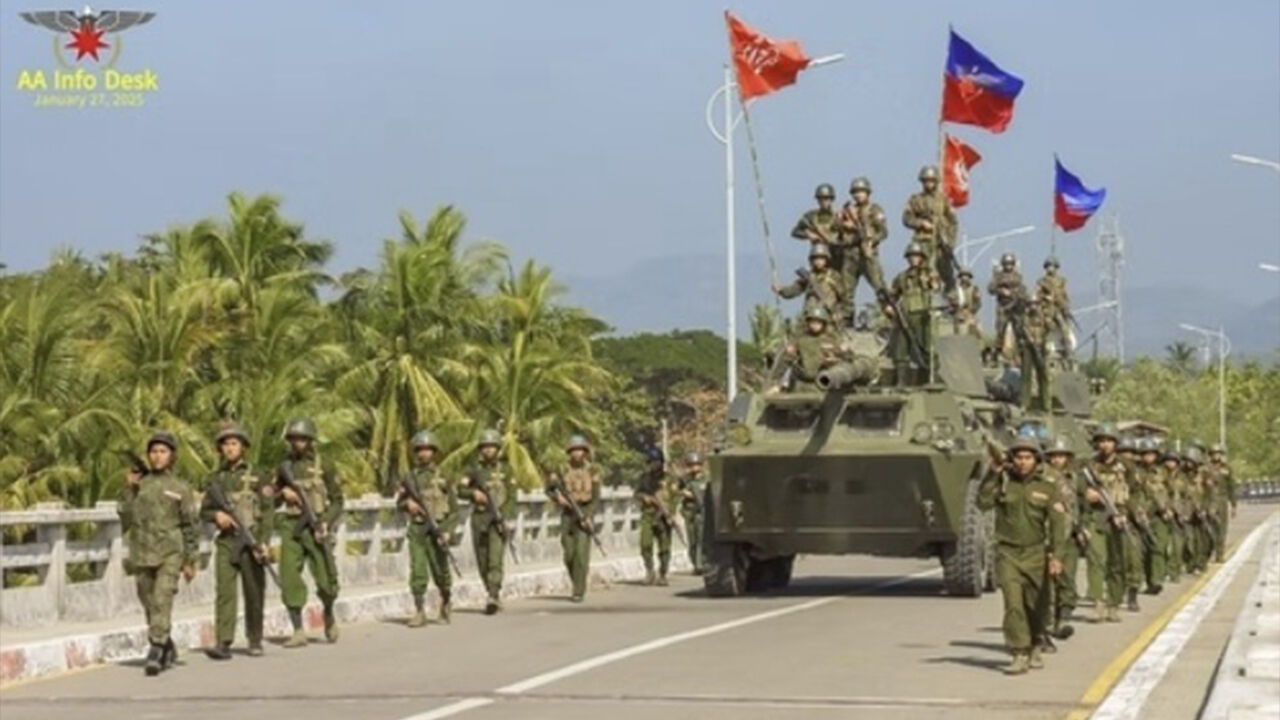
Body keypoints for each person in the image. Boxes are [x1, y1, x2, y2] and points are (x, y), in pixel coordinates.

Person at [977, 434, 1068, 676]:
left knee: (1036, 605)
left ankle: (1037, 640)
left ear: (1036, 460)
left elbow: (1059, 525)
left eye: (1028, 457)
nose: (1022, 462)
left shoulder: (1048, 488)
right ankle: (1019, 652)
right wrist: (993, 473)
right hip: (1007, 553)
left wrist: (1057, 556)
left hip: (1036, 554)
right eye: (1018, 457)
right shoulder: (1004, 482)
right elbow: (983, 502)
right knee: (1013, 605)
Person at [118, 431, 198, 676]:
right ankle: (167, 643)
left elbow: (190, 525)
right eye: (154, 451)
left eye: (163, 451)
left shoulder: (180, 488)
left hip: (169, 553)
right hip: (142, 552)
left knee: (163, 598)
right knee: (149, 601)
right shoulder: (139, 484)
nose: (157, 456)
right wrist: (129, 490)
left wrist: (191, 558)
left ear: (172, 456)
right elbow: (124, 516)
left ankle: (155, 648)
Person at [200, 422, 272, 660]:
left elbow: (268, 511)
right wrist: (216, 516)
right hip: (227, 542)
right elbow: (204, 511)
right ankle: (223, 641)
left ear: (243, 447)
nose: (229, 449)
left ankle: (254, 638)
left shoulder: (258, 476)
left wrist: (263, 541)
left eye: (234, 444)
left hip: (251, 540)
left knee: (254, 591)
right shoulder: (216, 479)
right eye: (225, 444)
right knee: (225, 592)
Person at [275, 418, 344, 647]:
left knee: (327, 580)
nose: (298, 443)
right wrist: (283, 493)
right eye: (294, 438)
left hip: (317, 526)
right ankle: (297, 629)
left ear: (311, 440)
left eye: (302, 438)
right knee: (289, 577)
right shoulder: (284, 466)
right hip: (292, 526)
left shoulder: (325, 465)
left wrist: (325, 522)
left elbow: (337, 500)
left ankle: (329, 612)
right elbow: (269, 499)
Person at [398, 430, 459, 627]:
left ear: (434, 451)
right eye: (420, 450)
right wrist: (408, 504)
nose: (423, 454)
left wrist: (448, 530)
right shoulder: (410, 477)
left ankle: (446, 600)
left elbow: (455, 509)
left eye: (427, 450)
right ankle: (419, 610)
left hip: (439, 529)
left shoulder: (444, 477)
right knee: (418, 571)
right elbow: (398, 502)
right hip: (417, 530)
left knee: (441, 570)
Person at [460, 429, 518, 614]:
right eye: (485, 447)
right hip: (480, 518)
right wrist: (473, 493)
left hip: (498, 519)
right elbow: (460, 490)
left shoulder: (507, 469)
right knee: (482, 559)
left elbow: (512, 496)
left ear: (498, 448)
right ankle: (492, 591)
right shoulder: (473, 469)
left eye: (492, 447)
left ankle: (492, 594)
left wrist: (508, 518)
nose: (488, 450)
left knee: (495, 559)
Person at [1081, 423, 1130, 622]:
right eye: (1102, 441)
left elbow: (1136, 492)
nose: (1105, 445)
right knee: (1096, 561)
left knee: (1117, 562)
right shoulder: (1088, 466)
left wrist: (1126, 514)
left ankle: (1114, 603)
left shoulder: (1127, 466)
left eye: (1109, 441)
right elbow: (1077, 491)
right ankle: (1098, 603)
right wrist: (1087, 496)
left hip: (1119, 518)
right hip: (1096, 518)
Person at [546, 434, 603, 603]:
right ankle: (577, 581)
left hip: (584, 512)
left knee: (581, 554)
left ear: (585, 452)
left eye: (580, 450)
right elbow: (548, 489)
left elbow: (596, 497)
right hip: (567, 514)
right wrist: (558, 499)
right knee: (569, 555)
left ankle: (579, 590)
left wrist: (589, 515)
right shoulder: (561, 470)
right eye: (574, 450)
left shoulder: (593, 470)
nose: (577, 454)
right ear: (569, 452)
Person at [883, 242, 939, 386]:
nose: (914, 259)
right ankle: (901, 382)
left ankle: (924, 381)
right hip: (904, 318)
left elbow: (937, 289)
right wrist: (889, 307)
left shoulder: (928, 274)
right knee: (901, 352)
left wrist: (932, 282)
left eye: (917, 256)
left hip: (923, 318)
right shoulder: (901, 277)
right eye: (911, 256)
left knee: (927, 352)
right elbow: (891, 295)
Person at [1042, 437, 1081, 641]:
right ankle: (1048, 626)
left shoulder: (1073, 478)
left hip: (1070, 535)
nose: (1057, 460)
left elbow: (1080, 503)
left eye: (1061, 456)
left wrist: (1083, 526)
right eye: (1054, 456)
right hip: (1049, 535)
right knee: (1048, 584)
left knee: (1067, 579)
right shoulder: (1043, 478)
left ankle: (1063, 619)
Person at [901, 165, 959, 293]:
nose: (928, 184)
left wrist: (950, 241)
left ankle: (950, 302)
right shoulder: (916, 200)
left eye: (931, 181)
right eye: (926, 181)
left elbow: (953, 222)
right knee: (923, 275)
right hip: (923, 243)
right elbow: (906, 219)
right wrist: (921, 223)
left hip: (941, 243)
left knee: (948, 275)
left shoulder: (944, 200)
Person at [837, 176, 888, 303]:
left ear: (867, 193)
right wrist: (843, 224)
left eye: (861, 192)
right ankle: (846, 321)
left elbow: (883, 232)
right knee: (846, 293)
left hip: (868, 253)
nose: (858, 195)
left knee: (880, 288)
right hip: (850, 254)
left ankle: (892, 316)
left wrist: (871, 240)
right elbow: (838, 234)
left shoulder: (874, 210)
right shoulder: (847, 211)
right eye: (855, 192)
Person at [773, 242, 847, 326]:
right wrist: (782, 290)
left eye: (821, 258)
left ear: (826, 259)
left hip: (828, 316)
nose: (818, 261)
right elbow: (794, 290)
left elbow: (843, 297)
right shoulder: (808, 277)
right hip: (810, 317)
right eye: (816, 258)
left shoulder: (834, 276)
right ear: (812, 260)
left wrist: (839, 313)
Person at [634, 449, 679, 586]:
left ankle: (663, 574)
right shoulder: (644, 478)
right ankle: (649, 571)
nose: (655, 464)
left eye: (657, 462)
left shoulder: (669, 479)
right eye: (652, 462)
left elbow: (675, 498)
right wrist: (645, 498)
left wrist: (671, 513)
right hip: (648, 515)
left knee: (664, 548)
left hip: (663, 517)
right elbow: (637, 493)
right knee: (645, 544)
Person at [1136, 439, 1170, 594]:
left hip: (1159, 515)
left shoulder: (1162, 472)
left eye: (1151, 454)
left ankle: (1156, 580)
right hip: (1142, 514)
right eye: (1145, 454)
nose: (1148, 457)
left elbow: (1169, 492)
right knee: (1144, 551)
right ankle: (1148, 580)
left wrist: (1169, 509)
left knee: (1159, 547)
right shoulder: (1137, 472)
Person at [791, 183, 843, 275]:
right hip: (819, 255)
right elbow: (795, 232)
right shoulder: (811, 216)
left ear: (831, 200)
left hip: (836, 256)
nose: (823, 202)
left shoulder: (839, 216)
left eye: (826, 199)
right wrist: (809, 235)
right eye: (821, 199)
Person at [988, 253, 1027, 364]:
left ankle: (1020, 354)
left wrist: (1017, 294)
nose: (1008, 266)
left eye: (1010, 264)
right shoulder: (998, 276)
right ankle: (997, 354)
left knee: (1019, 330)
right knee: (1001, 329)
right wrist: (1001, 291)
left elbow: (1023, 290)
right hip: (1003, 306)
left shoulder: (1018, 276)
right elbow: (990, 288)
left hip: (1015, 306)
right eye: (1006, 264)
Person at [1036, 257, 1074, 365]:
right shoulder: (1042, 282)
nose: (1050, 269)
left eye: (1052, 266)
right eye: (1048, 266)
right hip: (1046, 310)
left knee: (1064, 330)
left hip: (1058, 310)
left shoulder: (1062, 281)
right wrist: (1045, 298)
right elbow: (1037, 296)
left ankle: (1067, 351)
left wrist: (1065, 307)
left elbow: (1065, 296)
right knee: (1043, 331)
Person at [1204, 444, 1237, 562]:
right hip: (1209, 500)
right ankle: (1208, 553)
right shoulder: (1205, 469)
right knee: (1209, 529)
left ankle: (1220, 554)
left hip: (1222, 500)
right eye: (1213, 453)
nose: (1216, 456)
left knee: (1222, 529)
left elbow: (1231, 487)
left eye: (1218, 453)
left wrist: (1233, 505)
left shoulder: (1227, 468)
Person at [677, 451, 708, 574]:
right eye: (691, 465)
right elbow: (677, 489)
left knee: (702, 539)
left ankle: (701, 564)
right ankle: (695, 564)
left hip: (701, 512)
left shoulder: (706, 479)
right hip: (689, 512)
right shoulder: (685, 480)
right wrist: (683, 492)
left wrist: (693, 494)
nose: (694, 467)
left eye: (696, 464)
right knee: (692, 541)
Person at [1161, 449, 1188, 583]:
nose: (1170, 464)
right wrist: (1165, 509)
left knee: (1178, 545)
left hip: (1179, 514)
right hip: (1163, 513)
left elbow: (1187, 497)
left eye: (1173, 461)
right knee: (1163, 544)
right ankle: (1163, 570)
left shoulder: (1183, 478)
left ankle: (1174, 571)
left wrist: (1184, 513)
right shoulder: (1161, 475)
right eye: (1168, 461)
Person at [946, 267, 982, 340]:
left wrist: (972, 310)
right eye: (963, 276)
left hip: (970, 315)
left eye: (967, 276)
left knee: (978, 333)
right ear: (960, 277)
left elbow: (978, 303)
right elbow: (950, 301)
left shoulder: (974, 289)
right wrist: (954, 304)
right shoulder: (955, 289)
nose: (965, 278)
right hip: (959, 316)